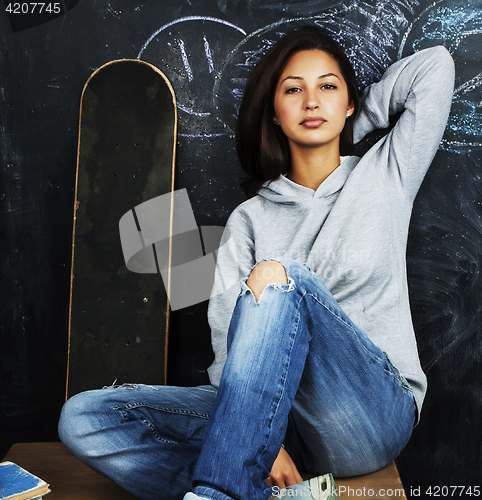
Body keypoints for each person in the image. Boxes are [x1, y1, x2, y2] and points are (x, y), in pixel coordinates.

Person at [58, 26, 455, 500]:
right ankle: (265, 490)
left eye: (328, 87)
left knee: (280, 280)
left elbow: (435, 67)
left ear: (349, 101)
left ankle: (221, 491)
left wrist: (355, 122)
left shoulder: (386, 174)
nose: (312, 102)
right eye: (294, 90)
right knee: (84, 418)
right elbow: (229, 351)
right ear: (273, 112)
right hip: (278, 424)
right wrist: (262, 440)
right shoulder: (248, 220)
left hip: (369, 415)